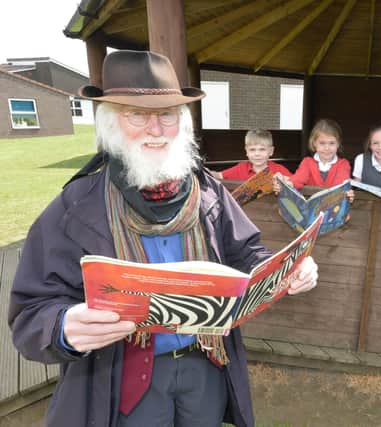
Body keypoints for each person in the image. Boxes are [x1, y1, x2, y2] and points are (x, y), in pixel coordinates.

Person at [8, 50, 318, 427]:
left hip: (204, 364)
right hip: (122, 375)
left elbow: (248, 252)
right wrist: (63, 326)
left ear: (182, 122)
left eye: (167, 115)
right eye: (137, 115)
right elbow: (30, 312)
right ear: (110, 124)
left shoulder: (209, 193)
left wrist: (288, 270)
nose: (156, 129)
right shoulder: (75, 207)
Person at [210, 128, 292, 180]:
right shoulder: (241, 168)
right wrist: (202, 172)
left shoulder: (280, 169)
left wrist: (284, 179)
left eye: (262, 149)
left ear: (271, 151)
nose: (257, 154)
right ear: (246, 151)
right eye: (252, 150)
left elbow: (295, 182)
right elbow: (219, 175)